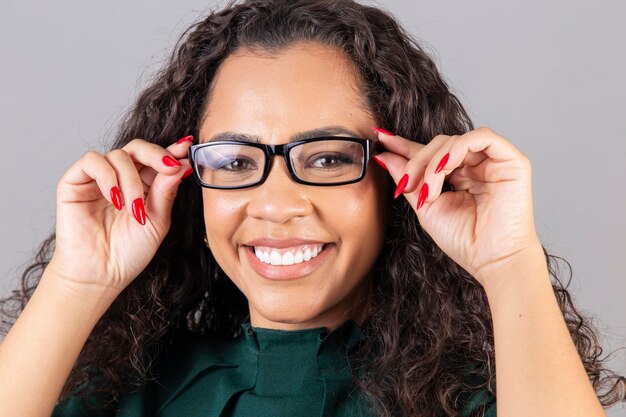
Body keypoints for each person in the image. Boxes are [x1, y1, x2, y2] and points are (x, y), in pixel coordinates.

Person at [0, 0, 624, 416]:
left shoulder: (483, 397)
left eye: (326, 158)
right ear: (190, 182)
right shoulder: (117, 392)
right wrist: (78, 280)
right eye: (236, 161)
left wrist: (510, 260)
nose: (275, 204)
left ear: (395, 180)